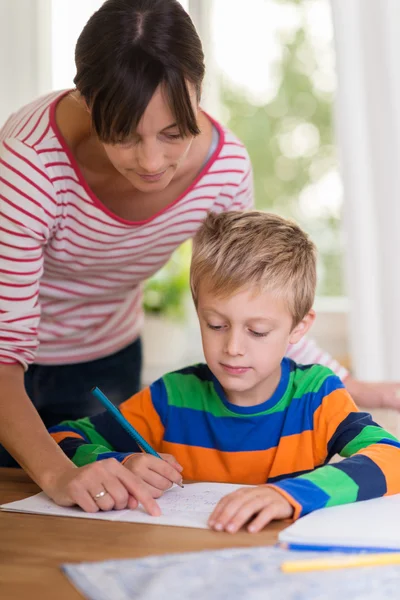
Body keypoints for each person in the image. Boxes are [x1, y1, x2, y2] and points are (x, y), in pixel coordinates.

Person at [0, 0, 397, 503]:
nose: (151, 163)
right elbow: (3, 351)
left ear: (198, 92)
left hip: (106, 355)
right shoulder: (30, 161)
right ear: (86, 99)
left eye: (173, 134)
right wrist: (57, 473)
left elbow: (253, 300)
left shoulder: (223, 172)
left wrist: (364, 390)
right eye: (123, 134)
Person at [48, 211, 400, 530]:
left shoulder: (316, 395)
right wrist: (121, 463)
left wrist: (286, 495)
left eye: (257, 331)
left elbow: (392, 457)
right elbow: (58, 440)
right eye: (215, 325)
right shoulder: (171, 396)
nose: (233, 347)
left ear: (298, 328)